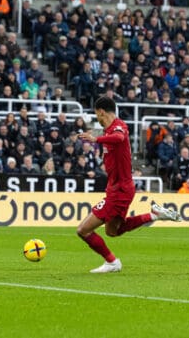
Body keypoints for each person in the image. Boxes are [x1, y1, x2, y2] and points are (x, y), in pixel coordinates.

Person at [76, 97, 182, 273]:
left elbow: (119, 137)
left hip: (120, 190)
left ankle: (112, 262)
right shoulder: (108, 129)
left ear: (101, 111)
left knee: (83, 230)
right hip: (116, 188)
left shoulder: (118, 126)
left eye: (97, 114)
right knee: (112, 231)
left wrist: (97, 139)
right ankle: (154, 216)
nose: (97, 118)